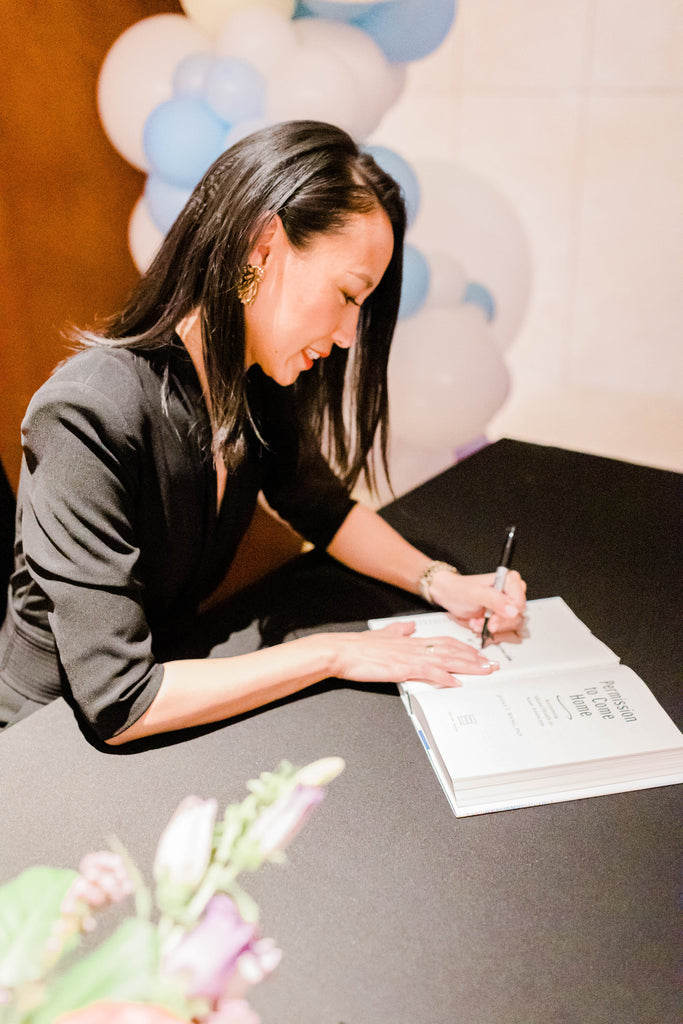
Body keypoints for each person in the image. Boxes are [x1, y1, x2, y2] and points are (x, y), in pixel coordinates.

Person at [0, 121, 525, 744]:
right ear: (263, 246)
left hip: (176, 689)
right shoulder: (86, 413)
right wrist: (337, 654)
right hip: (44, 745)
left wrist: (440, 583)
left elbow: (318, 504)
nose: (351, 335)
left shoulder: (251, 379)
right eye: (348, 294)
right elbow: (119, 700)